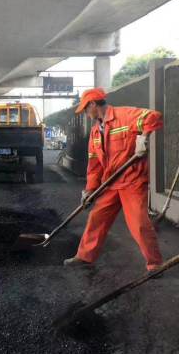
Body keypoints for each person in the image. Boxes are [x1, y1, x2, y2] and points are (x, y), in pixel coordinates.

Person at [64, 87, 164, 274]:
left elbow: (154, 116)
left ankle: (155, 265)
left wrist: (143, 138)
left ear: (93, 104)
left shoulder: (125, 115)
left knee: (139, 224)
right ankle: (85, 256)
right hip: (109, 183)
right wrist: (90, 190)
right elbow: (94, 165)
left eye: (85, 108)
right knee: (96, 218)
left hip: (132, 180)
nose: (85, 113)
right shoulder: (95, 132)